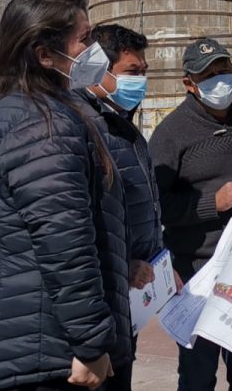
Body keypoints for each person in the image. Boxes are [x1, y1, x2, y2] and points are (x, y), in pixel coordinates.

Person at [0, 0, 132, 391]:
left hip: (26, 345)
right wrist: (92, 343)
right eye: (83, 39)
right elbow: (65, 242)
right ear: (45, 55)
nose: (92, 51)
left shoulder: (24, 111)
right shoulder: (40, 123)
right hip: (45, 358)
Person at [148, 37, 232, 391]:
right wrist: (212, 202)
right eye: (208, 74)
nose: (220, 80)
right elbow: (154, 204)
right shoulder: (171, 134)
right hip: (197, 274)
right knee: (197, 376)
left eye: (225, 70)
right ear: (189, 84)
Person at [77, 23, 165, 390]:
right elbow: (76, 222)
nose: (140, 82)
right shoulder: (84, 128)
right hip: (100, 297)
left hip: (129, 295)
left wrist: (159, 258)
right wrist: (119, 266)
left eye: (144, 72)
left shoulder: (124, 128)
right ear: (99, 71)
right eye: (132, 72)